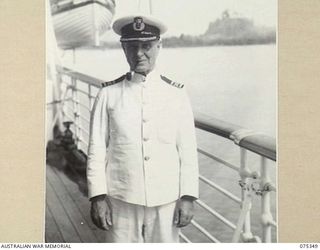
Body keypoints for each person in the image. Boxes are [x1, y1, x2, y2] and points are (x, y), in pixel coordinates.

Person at [87, 14, 199, 243]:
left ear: (159, 46)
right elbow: (96, 149)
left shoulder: (176, 95)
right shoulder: (108, 95)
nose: (139, 53)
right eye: (132, 47)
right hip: (121, 198)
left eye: (146, 46)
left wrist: (187, 197)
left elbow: (187, 150)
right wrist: (97, 197)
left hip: (166, 199)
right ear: (123, 49)